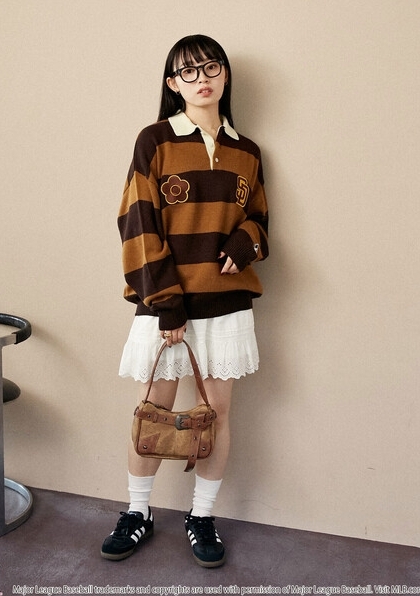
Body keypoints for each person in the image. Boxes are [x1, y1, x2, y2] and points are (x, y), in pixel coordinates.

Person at [101, 34, 269, 568]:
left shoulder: (248, 151)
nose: (202, 79)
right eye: (188, 71)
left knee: (215, 415)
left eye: (211, 67)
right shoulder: (154, 140)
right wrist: (166, 304)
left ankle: (202, 516)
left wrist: (245, 243)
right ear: (173, 83)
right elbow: (137, 221)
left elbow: (260, 220)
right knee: (154, 411)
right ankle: (138, 512)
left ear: (225, 75)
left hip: (226, 303)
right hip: (167, 302)